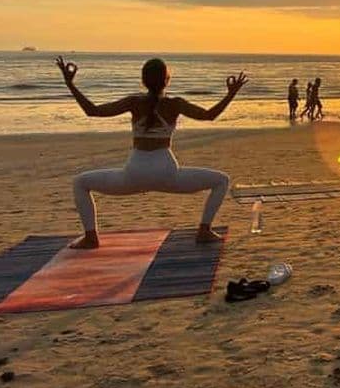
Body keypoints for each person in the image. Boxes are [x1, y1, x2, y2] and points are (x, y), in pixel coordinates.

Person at [55, 56, 247, 249]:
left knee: (80, 182)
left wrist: (70, 84)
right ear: (167, 80)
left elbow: (92, 110)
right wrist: (231, 93)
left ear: (143, 80)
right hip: (167, 172)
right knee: (221, 180)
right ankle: (204, 230)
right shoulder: (175, 104)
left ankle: (90, 237)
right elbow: (209, 115)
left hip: (135, 172)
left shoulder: (133, 102)